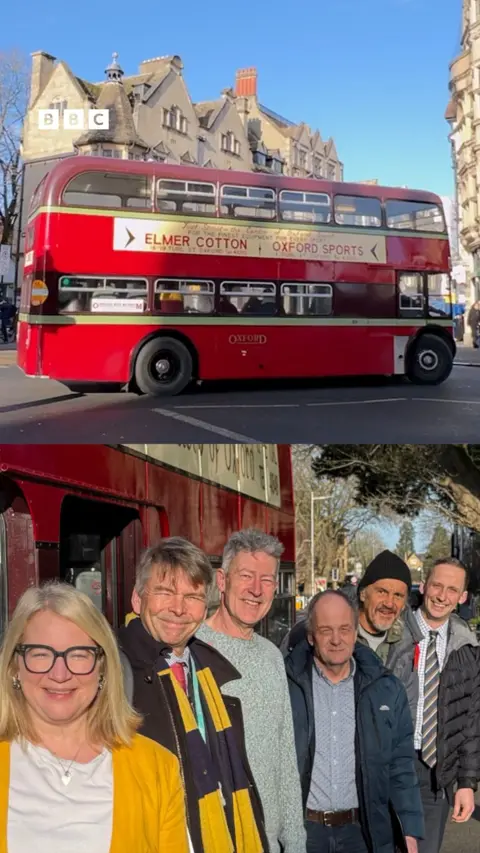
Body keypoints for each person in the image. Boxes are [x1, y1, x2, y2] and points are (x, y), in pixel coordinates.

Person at [0, 582, 188, 853]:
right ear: (14, 667)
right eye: (40, 654)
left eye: (79, 655)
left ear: (102, 667)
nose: (60, 674)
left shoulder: (157, 768)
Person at [118, 537, 269, 853]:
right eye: (165, 592)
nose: (178, 608)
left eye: (192, 596)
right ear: (137, 599)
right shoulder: (113, 672)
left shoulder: (211, 672)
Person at [284, 590, 424, 853]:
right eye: (326, 630)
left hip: (363, 832)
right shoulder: (285, 685)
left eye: (344, 629)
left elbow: (401, 766)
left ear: (355, 631)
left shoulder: (386, 689)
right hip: (304, 833)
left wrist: (409, 830)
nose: (336, 639)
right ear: (311, 636)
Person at [197, 529, 306, 853]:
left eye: (267, 580)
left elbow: (285, 758)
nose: (256, 590)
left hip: (267, 843)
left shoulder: (272, 656)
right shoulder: (192, 650)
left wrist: (295, 842)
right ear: (222, 580)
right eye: (246, 576)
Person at [404, 558, 480, 853]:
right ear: (423, 586)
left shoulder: (467, 647)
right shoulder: (396, 636)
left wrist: (466, 783)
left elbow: (470, 721)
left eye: (452, 590)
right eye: (437, 585)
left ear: (462, 597)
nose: (442, 596)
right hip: (392, 766)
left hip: (435, 771)